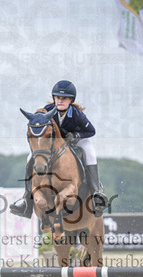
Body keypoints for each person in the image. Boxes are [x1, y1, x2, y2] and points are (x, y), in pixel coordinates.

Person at [10, 80, 109, 218]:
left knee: (90, 153)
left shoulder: (77, 114)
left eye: (64, 98)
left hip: (77, 141)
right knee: (29, 158)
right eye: (58, 97)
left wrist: (75, 135)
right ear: (54, 98)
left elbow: (91, 131)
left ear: (71, 100)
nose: (60, 100)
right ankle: (26, 200)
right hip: (55, 143)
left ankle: (96, 194)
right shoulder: (47, 110)